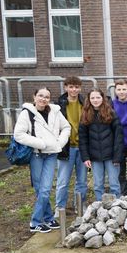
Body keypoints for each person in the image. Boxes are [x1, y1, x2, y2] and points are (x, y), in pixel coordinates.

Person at [14, 87, 70, 232]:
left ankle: (44, 219)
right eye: (40, 96)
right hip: (36, 155)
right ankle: (38, 221)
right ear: (34, 97)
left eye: (46, 97)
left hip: (51, 154)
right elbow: (18, 134)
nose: (43, 99)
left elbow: (66, 127)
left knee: (45, 189)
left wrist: (60, 142)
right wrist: (40, 144)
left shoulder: (55, 111)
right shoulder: (27, 113)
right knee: (41, 190)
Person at [79, 88, 124, 201]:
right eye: (92, 98)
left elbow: (118, 136)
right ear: (89, 100)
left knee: (114, 184)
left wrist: (117, 156)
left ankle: (117, 206)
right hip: (95, 157)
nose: (95, 100)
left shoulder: (111, 113)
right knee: (98, 185)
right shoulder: (85, 115)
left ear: (103, 98)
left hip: (111, 156)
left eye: (98, 97)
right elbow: (82, 138)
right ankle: (100, 206)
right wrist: (85, 157)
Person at [54, 76, 87, 216]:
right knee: (63, 180)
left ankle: (79, 206)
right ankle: (59, 208)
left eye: (77, 87)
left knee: (82, 180)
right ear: (66, 87)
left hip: (83, 147)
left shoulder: (85, 103)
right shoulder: (58, 105)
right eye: (71, 87)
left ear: (80, 88)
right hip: (66, 147)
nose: (74, 90)